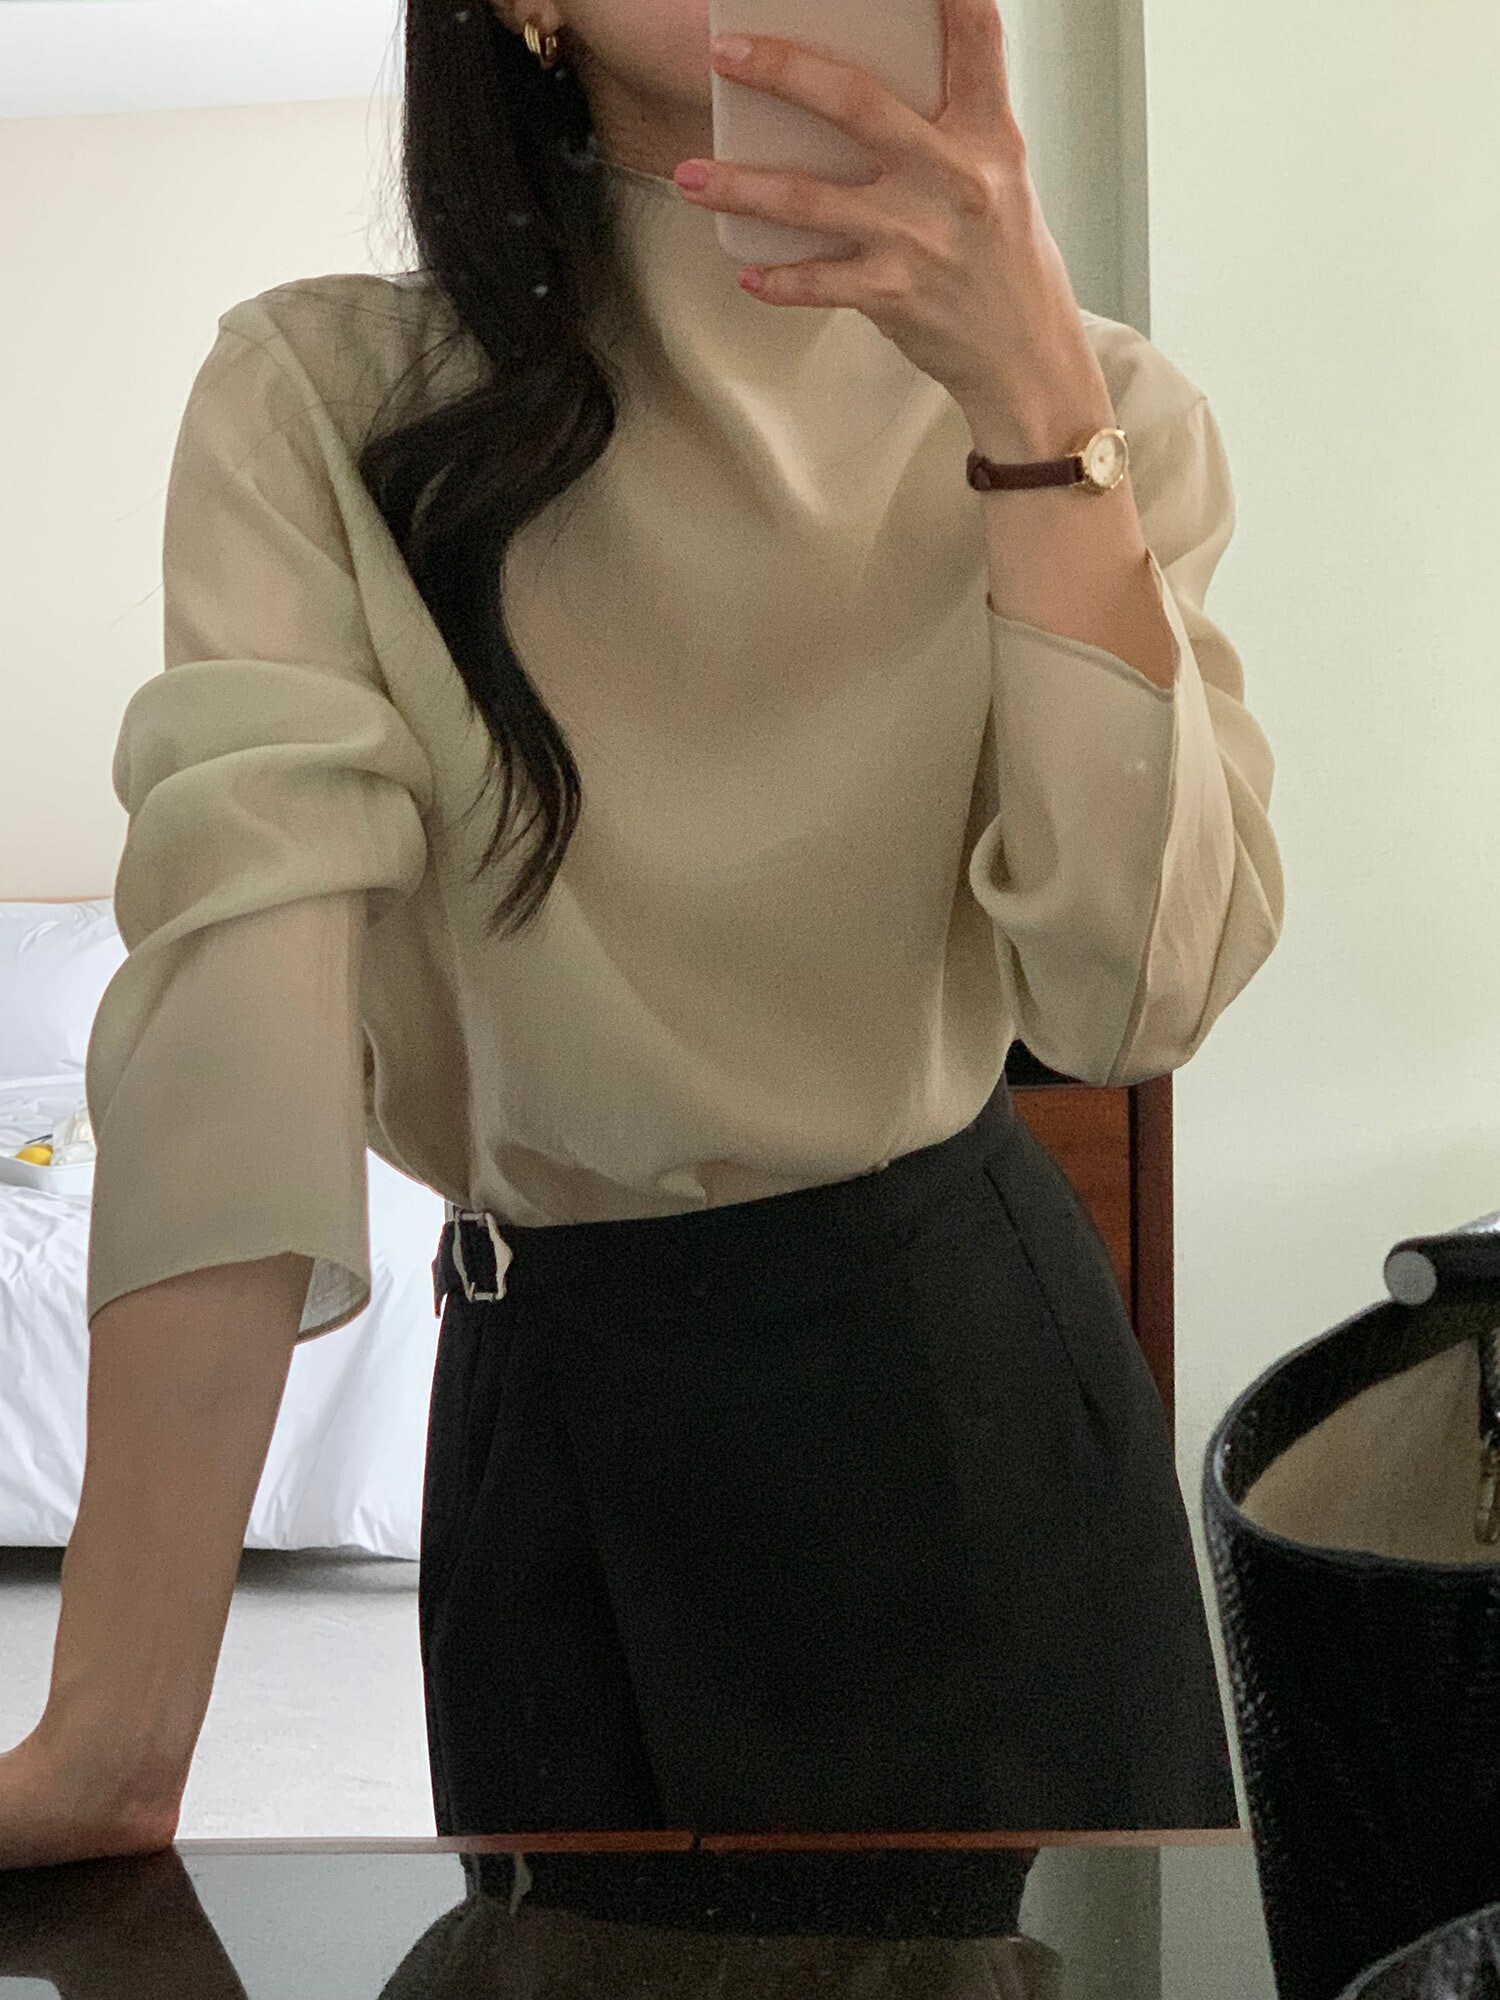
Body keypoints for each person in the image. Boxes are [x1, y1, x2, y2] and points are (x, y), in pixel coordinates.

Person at [0, 0, 1284, 1944]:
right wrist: (119, 1719)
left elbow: (1137, 998)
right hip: (535, 1400)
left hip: (954, 1403)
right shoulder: (320, 402)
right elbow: (232, 1008)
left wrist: (1038, 423)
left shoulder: (1103, 415)